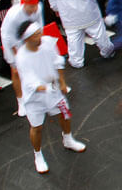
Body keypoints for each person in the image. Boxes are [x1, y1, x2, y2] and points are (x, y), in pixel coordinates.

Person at [14, 20, 85, 174]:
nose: (40, 36)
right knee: (37, 127)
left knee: (65, 114)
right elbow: (31, 82)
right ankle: (37, 155)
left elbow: (57, 61)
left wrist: (63, 82)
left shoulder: (46, 42)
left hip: (54, 92)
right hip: (35, 99)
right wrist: (47, 87)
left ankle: (68, 139)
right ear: (27, 39)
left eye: (39, 32)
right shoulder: (22, 57)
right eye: (35, 35)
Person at [0, 0, 43, 117]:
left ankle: (38, 90)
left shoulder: (38, 8)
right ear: (24, 4)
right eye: (31, 6)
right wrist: (20, 57)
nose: (34, 9)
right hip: (12, 40)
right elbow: (9, 38)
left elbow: (40, 27)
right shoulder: (14, 15)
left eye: (35, 6)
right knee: (16, 71)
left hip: (29, 36)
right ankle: (21, 101)